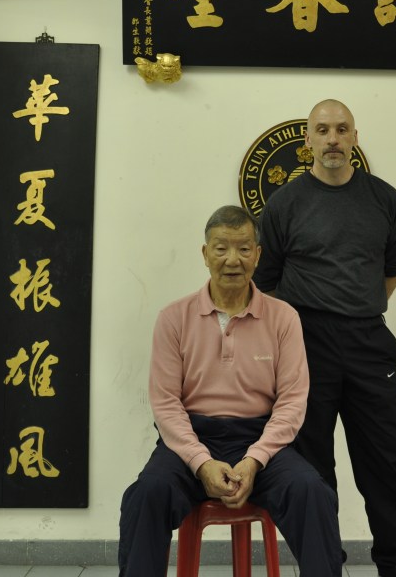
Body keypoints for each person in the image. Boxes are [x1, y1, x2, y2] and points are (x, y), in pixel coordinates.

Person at [118, 205, 342, 577]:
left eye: (243, 249)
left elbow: (292, 401)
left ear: (258, 254)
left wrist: (254, 460)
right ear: (205, 254)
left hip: (261, 440)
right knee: (146, 495)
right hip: (190, 439)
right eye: (221, 249)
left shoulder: (283, 317)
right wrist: (201, 462)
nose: (232, 260)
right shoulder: (174, 317)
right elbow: (166, 402)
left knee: (313, 492)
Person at [253, 99, 396, 577]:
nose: (333, 139)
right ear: (307, 139)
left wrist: (359, 305)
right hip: (306, 345)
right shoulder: (285, 203)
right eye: (323, 130)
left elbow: (394, 266)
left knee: (387, 461)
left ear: (354, 137)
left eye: (342, 129)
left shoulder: (383, 198)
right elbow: (266, 280)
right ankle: (323, 567)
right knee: (311, 467)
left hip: (369, 341)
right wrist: (303, 322)